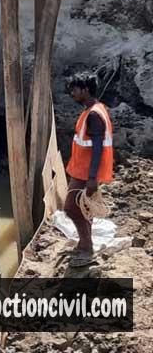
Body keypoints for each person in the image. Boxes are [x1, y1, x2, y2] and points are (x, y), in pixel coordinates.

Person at [63, 72, 114, 267]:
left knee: (71, 208)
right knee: (84, 207)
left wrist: (92, 178)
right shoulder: (94, 110)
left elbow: (98, 147)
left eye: (74, 89)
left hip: (86, 172)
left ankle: (86, 246)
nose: (71, 93)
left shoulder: (93, 115)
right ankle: (86, 243)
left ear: (85, 89)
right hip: (82, 170)